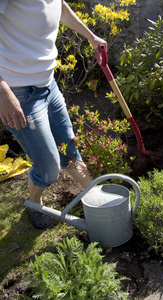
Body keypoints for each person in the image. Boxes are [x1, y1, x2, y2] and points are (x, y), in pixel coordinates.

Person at [0, 0, 107, 229]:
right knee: (48, 168)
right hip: (18, 93)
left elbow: (58, 6)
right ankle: (33, 201)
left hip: (49, 83)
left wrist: (91, 36)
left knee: (68, 147)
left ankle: (97, 196)